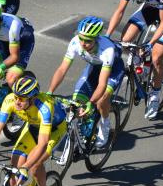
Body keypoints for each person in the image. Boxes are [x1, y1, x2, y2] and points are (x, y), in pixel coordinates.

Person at [45, 17, 125, 148]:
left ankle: (105, 124)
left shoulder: (107, 50)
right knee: (77, 102)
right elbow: (62, 69)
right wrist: (50, 91)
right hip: (94, 68)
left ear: (96, 38)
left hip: (113, 71)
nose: (83, 43)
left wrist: (91, 102)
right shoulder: (75, 42)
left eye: (88, 40)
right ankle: (85, 126)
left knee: (101, 100)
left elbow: (102, 84)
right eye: (81, 38)